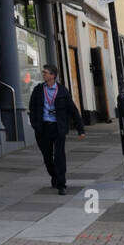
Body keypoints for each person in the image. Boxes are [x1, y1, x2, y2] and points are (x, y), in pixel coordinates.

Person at [28, 63, 86, 194]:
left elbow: (73, 110)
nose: (43, 74)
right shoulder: (38, 90)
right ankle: (54, 176)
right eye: (43, 72)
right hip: (43, 129)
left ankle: (61, 184)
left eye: (46, 72)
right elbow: (32, 107)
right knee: (47, 157)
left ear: (53, 75)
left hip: (58, 128)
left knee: (59, 156)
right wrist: (34, 124)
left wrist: (80, 129)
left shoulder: (62, 91)